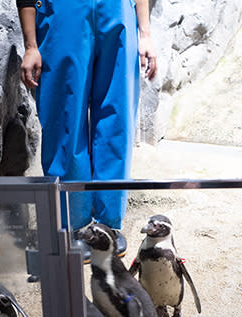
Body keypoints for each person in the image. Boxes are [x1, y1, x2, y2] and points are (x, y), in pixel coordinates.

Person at [17, 0, 158, 260]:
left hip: (117, 10)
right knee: (64, 121)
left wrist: (145, 33)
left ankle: (108, 224)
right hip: (63, 11)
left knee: (117, 119)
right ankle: (74, 225)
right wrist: (30, 45)